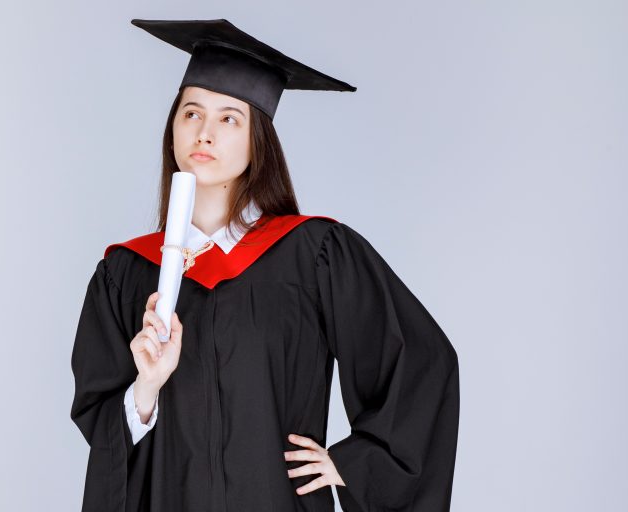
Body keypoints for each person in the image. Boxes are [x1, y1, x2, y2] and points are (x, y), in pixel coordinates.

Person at [70, 18, 460, 512]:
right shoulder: (125, 273)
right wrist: (145, 387)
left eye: (229, 118)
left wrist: (355, 463)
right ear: (172, 128)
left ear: (258, 141)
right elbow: (102, 428)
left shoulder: (313, 255)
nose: (205, 132)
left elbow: (421, 363)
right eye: (191, 113)